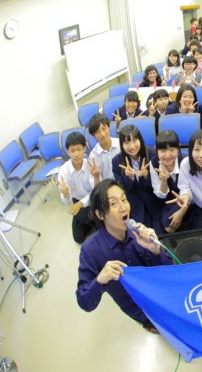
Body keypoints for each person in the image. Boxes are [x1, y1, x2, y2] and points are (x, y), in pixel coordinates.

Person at [76, 179, 173, 334]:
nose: (123, 208)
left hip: (159, 295)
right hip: (139, 309)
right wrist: (100, 280)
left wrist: (156, 251)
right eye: (114, 204)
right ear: (100, 214)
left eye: (124, 200)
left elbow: (170, 273)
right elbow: (84, 302)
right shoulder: (90, 251)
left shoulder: (138, 233)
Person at [112, 125, 163, 235]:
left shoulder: (152, 154)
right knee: (140, 237)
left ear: (140, 139)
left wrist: (147, 176)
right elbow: (121, 190)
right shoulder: (117, 161)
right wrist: (128, 177)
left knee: (159, 236)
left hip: (155, 204)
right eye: (126, 142)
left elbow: (161, 183)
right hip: (134, 208)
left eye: (135, 140)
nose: (132, 146)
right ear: (121, 144)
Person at [57, 132, 97, 243]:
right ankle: (92, 221)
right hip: (77, 200)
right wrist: (66, 194)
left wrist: (80, 204)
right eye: (72, 150)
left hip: (92, 199)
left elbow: (95, 191)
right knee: (78, 238)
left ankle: (96, 222)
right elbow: (67, 202)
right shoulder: (63, 171)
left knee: (85, 215)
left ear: (84, 148)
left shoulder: (90, 164)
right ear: (67, 152)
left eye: (79, 149)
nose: (76, 154)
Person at [150, 130, 187, 233]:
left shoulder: (185, 161)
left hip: (187, 202)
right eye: (163, 150)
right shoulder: (154, 164)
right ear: (156, 149)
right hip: (166, 202)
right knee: (167, 226)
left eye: (172, 150)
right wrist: (164, 180)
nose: (167, 155)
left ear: (178, 147)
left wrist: (181, 213)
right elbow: (161, 195)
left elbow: (192, 191)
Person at [88, 114, 120, 181]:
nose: (102, 134)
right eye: (97, 131)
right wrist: (96, 177)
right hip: (107, 186)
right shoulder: (93, 156)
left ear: (109, 126)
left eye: (103, 128)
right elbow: (98, 184)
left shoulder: (120, 143)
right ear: (93, 135)